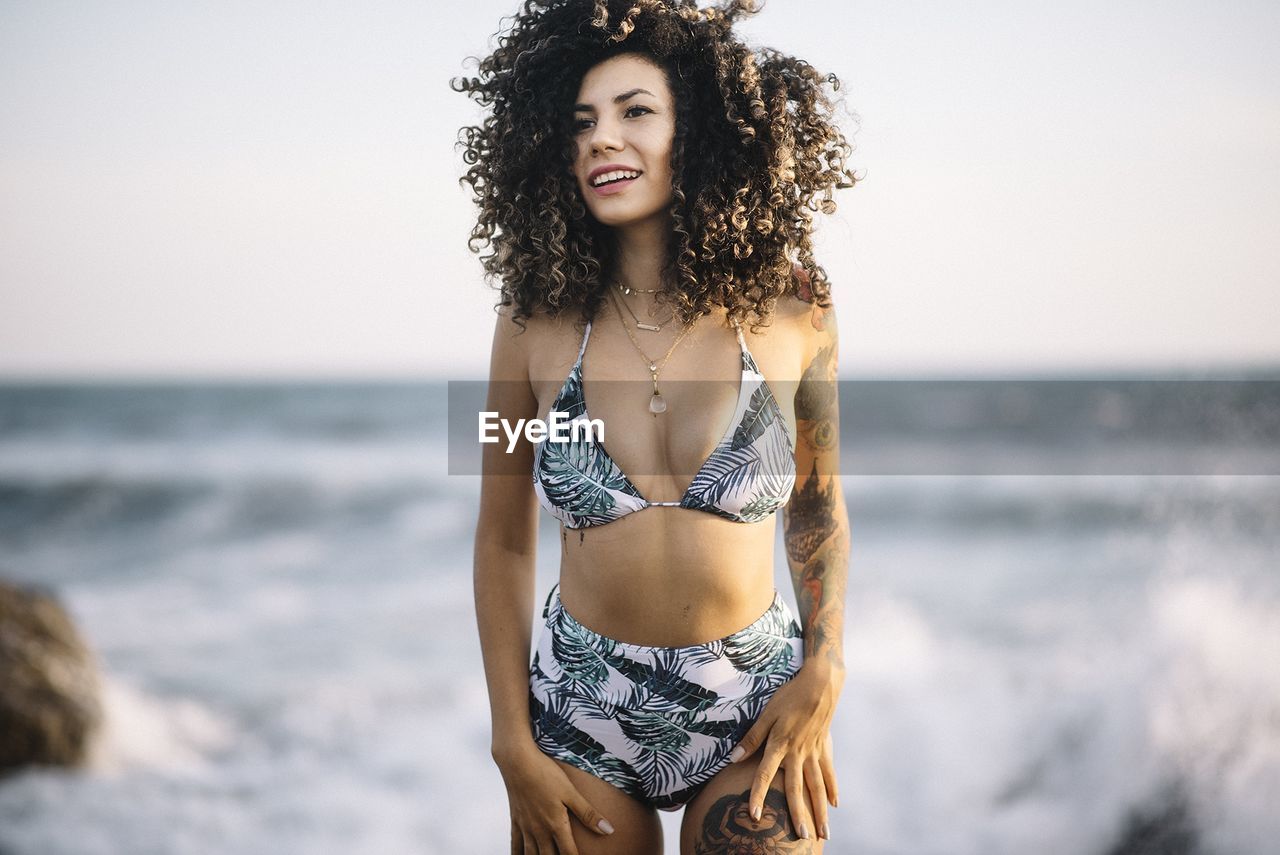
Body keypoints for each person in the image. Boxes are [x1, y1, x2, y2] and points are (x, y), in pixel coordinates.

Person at [454, 1, 857, 851]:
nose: (603, 138)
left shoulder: (794, 305)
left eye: (636, 111)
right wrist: (509, 741)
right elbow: (502, 540)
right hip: (582, 710)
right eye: (582, 122)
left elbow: (818, 506)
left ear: (700, 130)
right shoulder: (531, 321)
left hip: (752, 704)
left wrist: (825, 663)